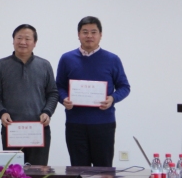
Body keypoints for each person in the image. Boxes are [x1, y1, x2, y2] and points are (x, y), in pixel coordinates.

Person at [56, 16, 131, 167]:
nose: (89, 36)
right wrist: (63, 99)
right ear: (78, 35)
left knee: (103, 170)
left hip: (103, 123)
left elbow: (124, 87)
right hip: (75, 123)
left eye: (93, 32)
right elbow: (58, 86)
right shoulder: (67, 58)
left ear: (100, 35)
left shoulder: (112, 59)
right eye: (85, 32)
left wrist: (112, 98)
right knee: (78, 170)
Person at [0, 24, 59, 165]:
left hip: (39, 129)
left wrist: (47, 112)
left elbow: (53, 93)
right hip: (12, 129)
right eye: (19, 38)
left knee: (38, 172)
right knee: (12, 172)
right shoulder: (1, 65)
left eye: (27, 38)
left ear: (35, 42)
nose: (23, 42)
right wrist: (1, 113)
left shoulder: (44, 65)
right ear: (13, 40)